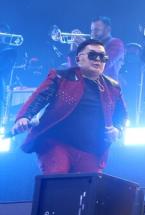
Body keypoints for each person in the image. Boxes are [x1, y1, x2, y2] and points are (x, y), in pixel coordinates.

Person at [12, 39, 126, 174]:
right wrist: (24, 116)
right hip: (57, 143)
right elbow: (40, 96)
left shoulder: (112, 87)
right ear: (78, 59)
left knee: (86, 191)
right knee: (57, 184)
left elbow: (121, 115)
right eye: (92, 55)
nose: (98, 60)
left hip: (92, 150)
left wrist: (118, 130)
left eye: (102, 57)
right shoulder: (61, 76)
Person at [67, 16, 125, 81]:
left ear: (108, 29)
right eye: (92, 30)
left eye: (96, 30)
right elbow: (73, 69)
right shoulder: (92, 45)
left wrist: (85, 46)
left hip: (107, 88)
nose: (92, 33)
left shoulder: (116, 43)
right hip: (88, 86)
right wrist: (74, 49)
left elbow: (103, 65)